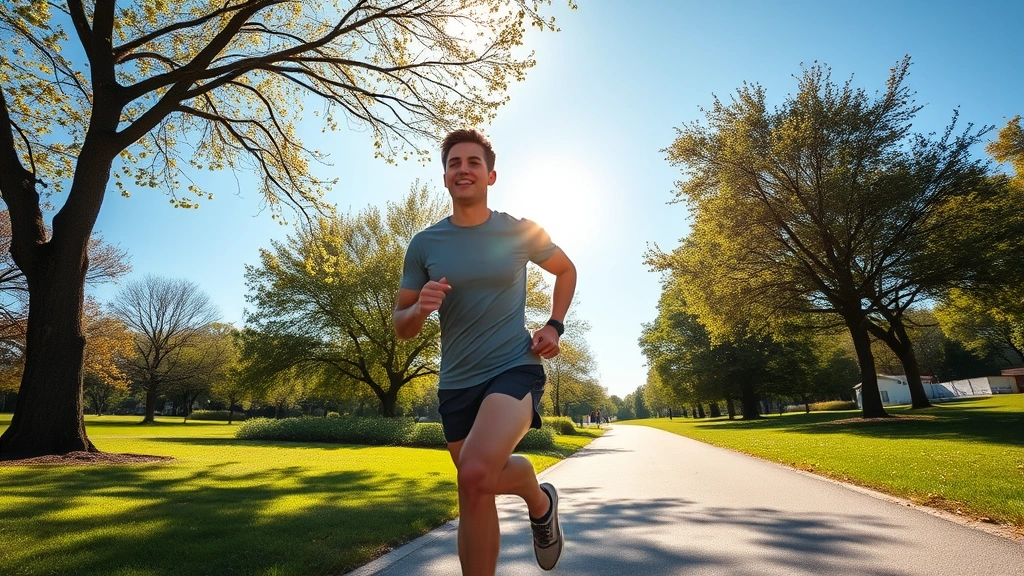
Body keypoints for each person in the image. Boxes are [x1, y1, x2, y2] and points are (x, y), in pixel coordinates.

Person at [393, 129, 576, 575]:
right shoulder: (425, 244)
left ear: (490, 175)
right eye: (454, 163)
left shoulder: (519, 231)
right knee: (477, 480)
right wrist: (420, 306)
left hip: (514, 367)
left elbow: (566, 269)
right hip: (456, 381)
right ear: (445, 178)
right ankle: (538, 498)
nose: (464, 169)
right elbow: (402, 327)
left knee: (473, 475)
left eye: (473, 162)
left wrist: (554, 324)